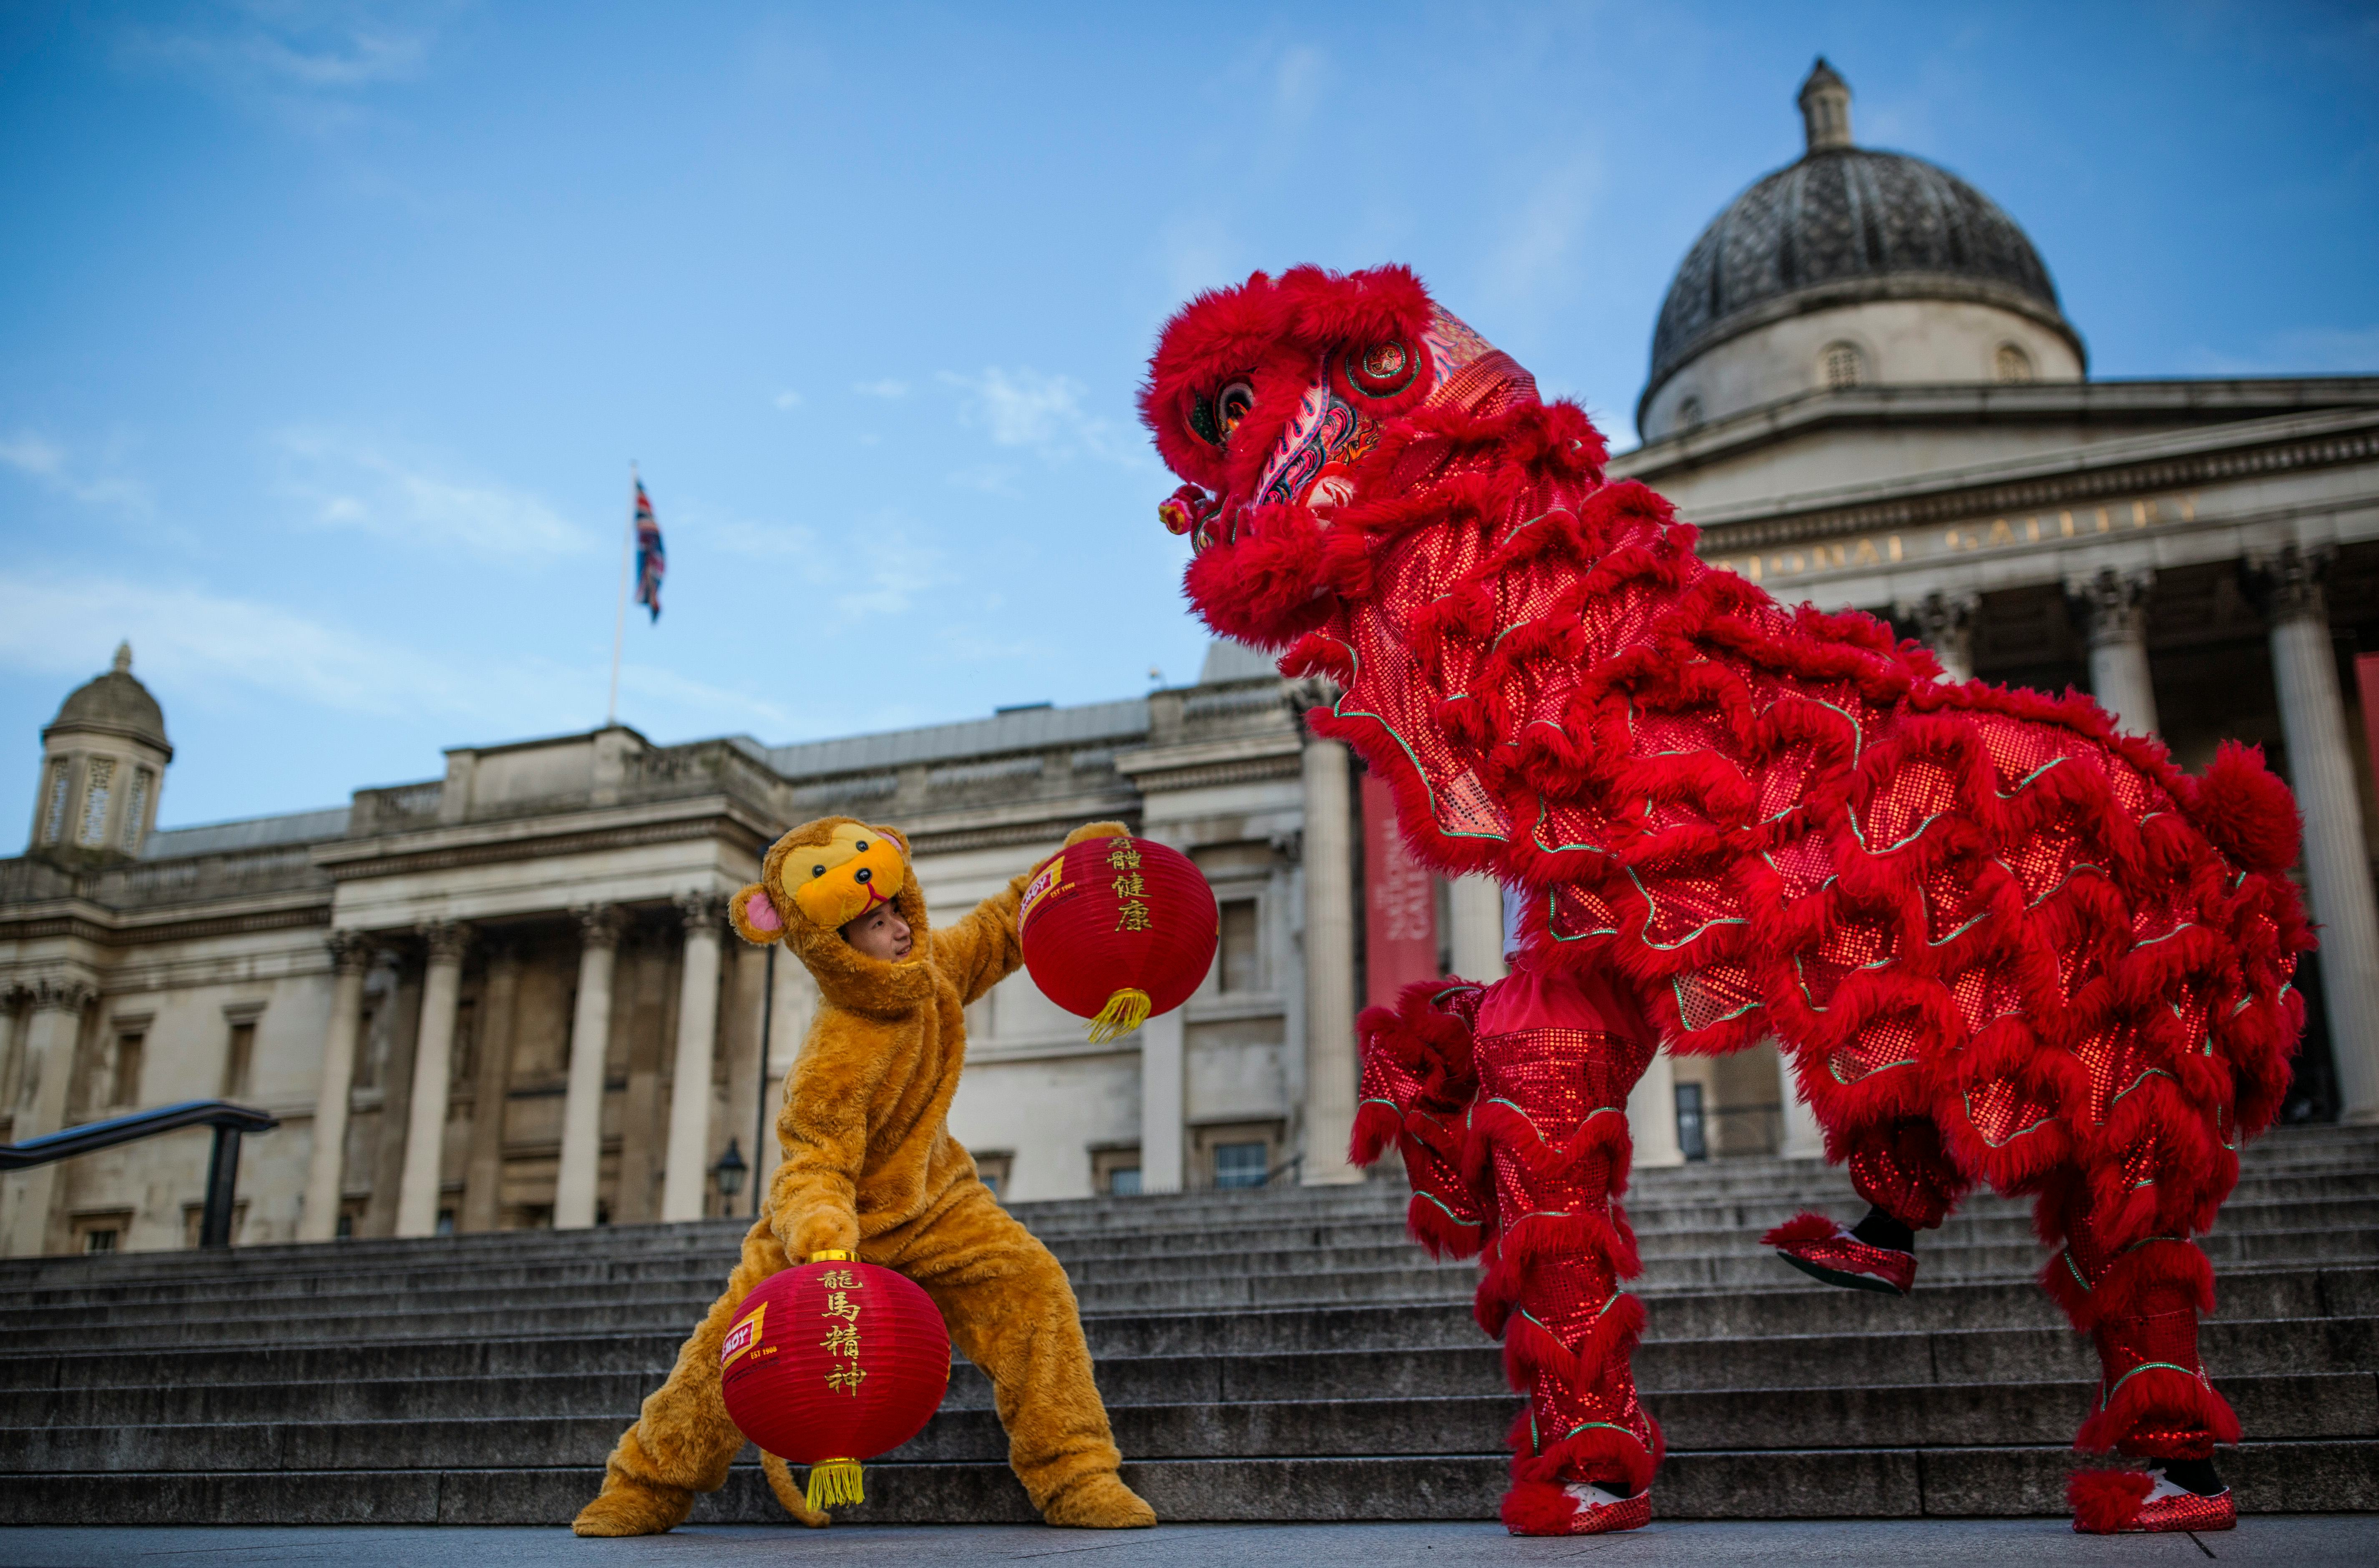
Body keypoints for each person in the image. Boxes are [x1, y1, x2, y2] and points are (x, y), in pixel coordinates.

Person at [572, 816, 1156, 1534]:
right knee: (725, 1355)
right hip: (839, 1229)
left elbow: (1006, 928)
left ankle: (1079, 1477)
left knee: (1034, 1289)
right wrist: (822, 1235)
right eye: (874, 925)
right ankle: (644, 1487)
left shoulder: (936, 967)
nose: (898, 930)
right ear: (835, 948)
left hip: (941, 1201)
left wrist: (1069, 867)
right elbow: (811, 1161)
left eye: (894, 911)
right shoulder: (835, 1052)